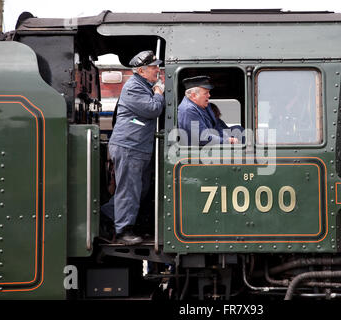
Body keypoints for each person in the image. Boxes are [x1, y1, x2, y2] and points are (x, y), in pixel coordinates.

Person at [101, 50, 165, 245]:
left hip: (138, 147)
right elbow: (152, 109)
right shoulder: (133, 88)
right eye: (154, 67)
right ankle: (123, 231)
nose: (158, 70)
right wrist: (158, 93)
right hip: (130, 146)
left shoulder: (144, 85)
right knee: (129, 189)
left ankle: (107, 216)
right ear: (141, 70)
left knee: (140, 188)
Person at [177, 76, 238, 146]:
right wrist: (226, 141)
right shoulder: (188, 110)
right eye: (205, 93)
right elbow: (203, 138)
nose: (209, 95)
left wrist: (229, 138)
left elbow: (216, 127)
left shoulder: (205, 106)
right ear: (194, 95)